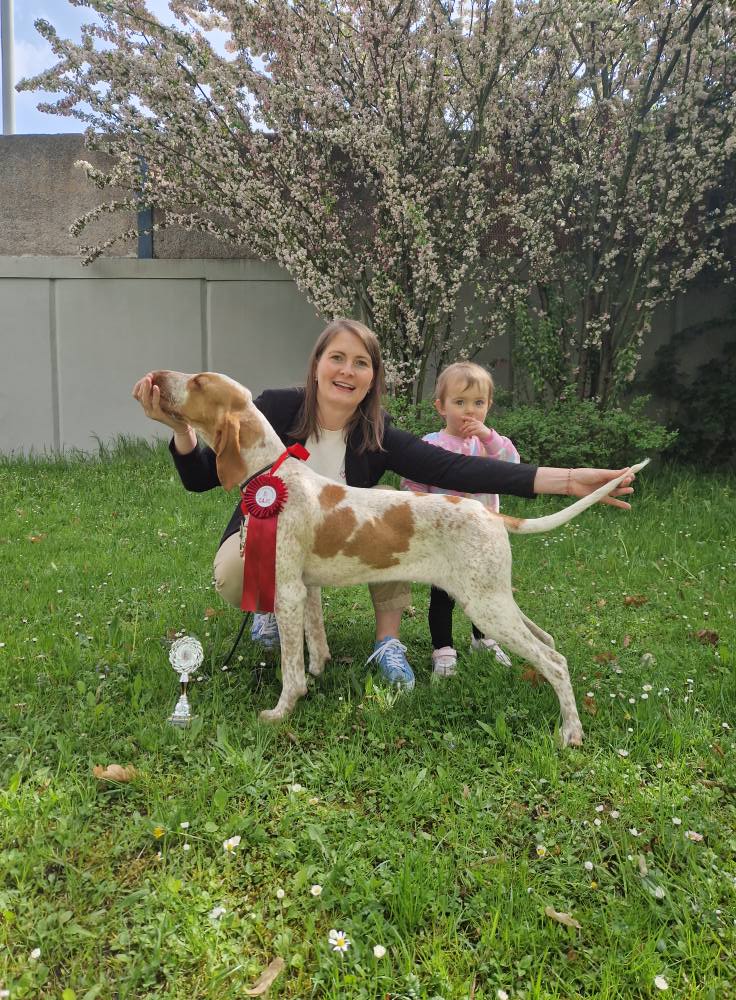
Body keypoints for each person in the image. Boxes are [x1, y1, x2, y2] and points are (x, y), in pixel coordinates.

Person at [132, 318, 638, 691]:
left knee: (390, 512)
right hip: (269, 540)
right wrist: (181, 427)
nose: (347, 371)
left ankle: (387, 641)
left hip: (352, 540)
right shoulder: (273, 408)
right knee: (237, 573)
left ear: (373, 378)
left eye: (361, 363)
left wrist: (567, 480)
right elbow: (201, 477)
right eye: (337, 358)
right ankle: (273, 606)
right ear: (317, 366)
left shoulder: (378, 433)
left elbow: (454, 470)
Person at [401, 361, 519, 678]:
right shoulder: (431, 445)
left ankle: (483, 638)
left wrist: (490, 437)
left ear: (489, 406)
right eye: (460, 402)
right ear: (441, 406)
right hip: (445, 541)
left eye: (478, 403)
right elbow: (412, 486)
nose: (470, 411)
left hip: (484, 536)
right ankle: (443, 650)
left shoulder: (492, 445)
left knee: (484, 591)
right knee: (443, 596)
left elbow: (513, 465)